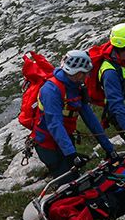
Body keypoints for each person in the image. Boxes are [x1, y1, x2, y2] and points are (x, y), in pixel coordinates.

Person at [28, 49, 119, 179]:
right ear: (75, 72)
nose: (87, 76)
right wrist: (71, 154)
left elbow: (90, 119)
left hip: (65, 138)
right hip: (47, 144)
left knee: (76, 177)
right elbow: (55, 125)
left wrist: (109, 148)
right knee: (68, 181)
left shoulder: (77, 87)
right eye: (84, 73)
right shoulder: (51, 90)